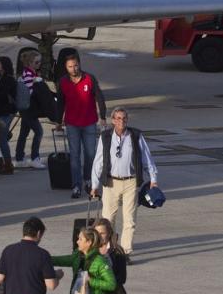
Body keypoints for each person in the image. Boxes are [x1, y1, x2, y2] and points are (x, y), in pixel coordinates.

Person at [89, 107, 157, 255]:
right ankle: (107, 249)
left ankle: (125, 252)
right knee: (107, 219)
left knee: (129, 219)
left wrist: (153, 178)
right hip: (111, 182)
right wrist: (94, 185)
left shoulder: (135, 135)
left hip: (130, 181)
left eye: (124, 118)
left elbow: (146, 157)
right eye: (118, 118)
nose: (121, 121)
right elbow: (98, 161)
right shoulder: (105, 137)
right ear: (113, 120)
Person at [57, 54, 108, 200]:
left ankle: (87, 179)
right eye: (70, 66)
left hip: (89, 123)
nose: (74, 69)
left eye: (76, 65)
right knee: (74, 156)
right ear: (66, 68)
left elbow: (99, 97)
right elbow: (60, 102)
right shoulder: (63, 82)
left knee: (90, 154)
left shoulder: (89, 79)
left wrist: (103, 116)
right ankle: (76, 185)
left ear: (79, 64)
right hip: (72, 124)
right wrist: (58, 120)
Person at [15, 49, 47, 170]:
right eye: (36, 62)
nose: (39, 64)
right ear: (29, 63)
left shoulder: (31, 73)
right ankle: (34, 157)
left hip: (27, 108)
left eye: (40, 62)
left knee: (24, 133)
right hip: (28, 109)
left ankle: (19, 158)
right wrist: (36, 82)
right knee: (39, 132)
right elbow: (30, 91)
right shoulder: (28, 74)